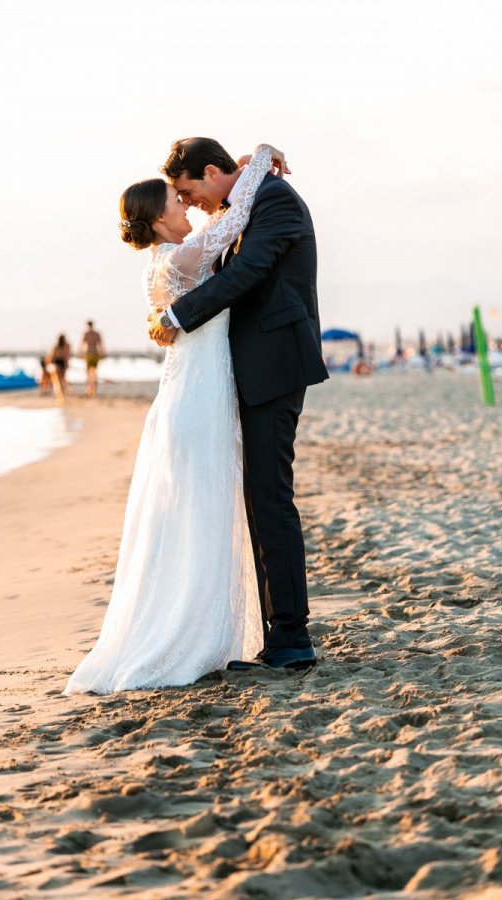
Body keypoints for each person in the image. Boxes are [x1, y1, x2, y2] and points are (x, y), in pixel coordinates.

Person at [65, 143, 284, 694]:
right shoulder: (181, 258)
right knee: (204, 515)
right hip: (198, 401)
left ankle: (203, 635)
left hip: (195, 393)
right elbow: (235, 216)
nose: (188, 206)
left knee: (199, 515)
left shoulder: (161, 264)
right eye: (177, 201)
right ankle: (188, 641)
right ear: (159, 219)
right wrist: (258, 159)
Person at [148, 137, 328, 671]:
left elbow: (246, 272)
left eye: (188, 191)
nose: (191, 204)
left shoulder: (275, 200)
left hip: (274, 364)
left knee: (270, 497)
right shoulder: (248, 199)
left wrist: (177, 318)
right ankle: (279, 636)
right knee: (259, 498)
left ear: (209, 171)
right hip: (252, 368)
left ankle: (292, 639)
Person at [79, 320, 104, 398]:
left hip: (88, 353)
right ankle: (94, 391)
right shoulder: (97, 334)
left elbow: (82, 344)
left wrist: (80, 353)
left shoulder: (86, 333)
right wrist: (102, 354)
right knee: (94, 373)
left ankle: (89, 389)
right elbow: (100, 345)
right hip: (95, 353)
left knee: (88, 373)